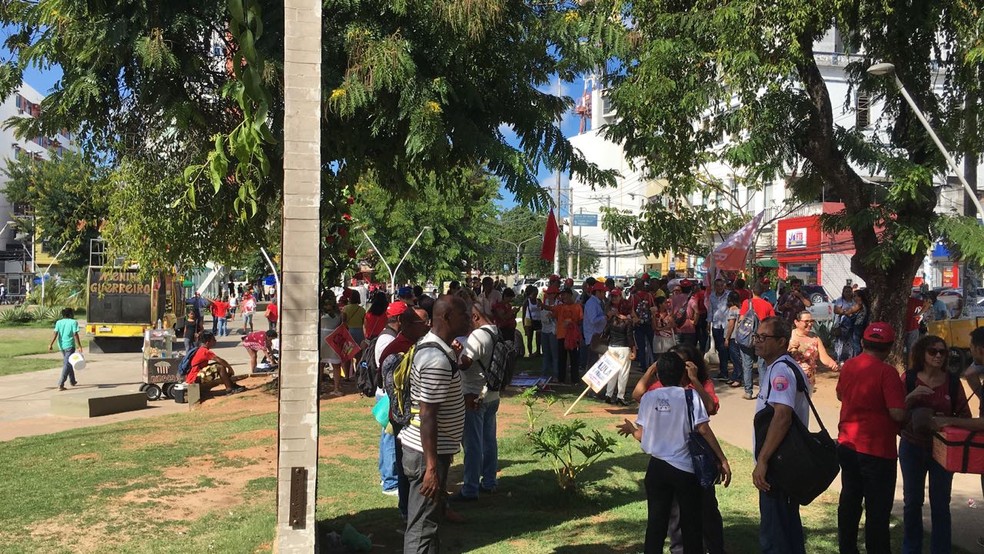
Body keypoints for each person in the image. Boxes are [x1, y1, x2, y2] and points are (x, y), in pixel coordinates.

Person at [617, 353, 731, 554]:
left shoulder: (649, 397)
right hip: (684, 469)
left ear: (658, 375)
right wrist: (721, 458)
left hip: (657, 468)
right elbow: (703, 429)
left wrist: (632, 430)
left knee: (656, 524)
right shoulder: (690, 396)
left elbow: (642, 434)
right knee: (691, 524)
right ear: (683, 375)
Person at [399, 295, 470, 553]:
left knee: (430, 523)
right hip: (425, 455)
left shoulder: (438, 348)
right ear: (447, 317)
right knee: (422, 526)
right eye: (464, 313)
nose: (469, 318)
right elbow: (428, 415)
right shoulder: (436, 358)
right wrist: (431, 468)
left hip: (430, 452)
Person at [835, 322, 907, 554]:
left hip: (848, 444)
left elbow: (840, 394)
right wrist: (911, 400)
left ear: (864, 342)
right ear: (888, 348)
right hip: (877, 450)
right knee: (877, 510)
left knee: (850, 501)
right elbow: (897, 412)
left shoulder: (849, 366)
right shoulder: (887, 372)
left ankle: (847, 548)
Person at [899, 335, 972, 554]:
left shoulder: (951, 382)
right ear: (922, 354)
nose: (938, 356)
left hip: (943, 448)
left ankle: (940, 549)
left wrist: (945, 420)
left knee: (941, 504)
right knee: (912, 501)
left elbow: (965, 417)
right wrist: (911, 397)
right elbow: (895, 414)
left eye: (942, 352)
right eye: (933, 351)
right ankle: (911, 548)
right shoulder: (909, 378)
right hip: (912, 446)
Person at [751, 316, 811, 554]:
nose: (757, 341)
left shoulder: (782, 371)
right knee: (786, 530)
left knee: (775, 536)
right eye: (757, 336)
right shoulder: (778, 367)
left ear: (781, 341)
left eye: (764, 338)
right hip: (782, 461)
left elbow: (782, 416)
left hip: (779, 464)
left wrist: (763, 461)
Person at [380, 305, 433, 520]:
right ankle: (407, 509)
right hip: (405, 417)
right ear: (407, 324)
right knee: (406, 467)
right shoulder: (397, 349)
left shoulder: (415, 344)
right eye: (423, 323)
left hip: (414, 415)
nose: (427, 326)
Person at [455, 302, 500, 501]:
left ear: (475, 317)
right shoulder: (494, 331)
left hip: (474, 395)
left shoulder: (478, 336)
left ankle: (470, 489)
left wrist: (454, 353)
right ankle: (489, 481)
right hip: (491, 394)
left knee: (473, 445)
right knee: (489, 441)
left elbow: (464, 364)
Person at [737, 282, 775, 400]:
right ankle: (763, 392)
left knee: (747, 364)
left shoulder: (746, 303)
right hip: (762, 338)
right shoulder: (767, 305)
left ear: (752, 291)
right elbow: (772, 321)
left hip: (747, 337)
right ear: (763, 292)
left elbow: (742, 319)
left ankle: (748, 391)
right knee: (762, 365)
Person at [788, 311, 838, 387]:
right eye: (806, 321)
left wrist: (832, 363)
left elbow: (824, 356)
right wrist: (789, 347)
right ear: (796, 322)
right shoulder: (789, 336)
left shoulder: (815, 338)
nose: (810, 324)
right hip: (791, 378)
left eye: (811, 321)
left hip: (808, 380)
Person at [602, 294, 636, 405]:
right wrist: (634, 350)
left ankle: (608, 394)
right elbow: (630, 338)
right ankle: (620, 396)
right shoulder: (628, 322)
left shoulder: (612, 319)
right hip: (624, 348)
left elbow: (605, 332)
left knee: (612, 371)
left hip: (612, 347)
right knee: (623, 373)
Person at [545, 288, 584, 383]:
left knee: (574, 359)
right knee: (561, 359)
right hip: (561, 336)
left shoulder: (577, 307)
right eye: (562, 295)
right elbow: (550, 309)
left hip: (572, 337)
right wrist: (542, 305)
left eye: (565, 294)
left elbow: (580, 320)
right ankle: (561, 379)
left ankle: (575, 380)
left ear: (570, 295)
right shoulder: (560, 307)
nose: (563, 297)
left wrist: (572, 323)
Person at [49, 307, 83, 391]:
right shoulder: (73, 322)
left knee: (68, 362)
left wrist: (51, 344)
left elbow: (55, 333)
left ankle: (72, 381)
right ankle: (61, 384)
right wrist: (79, 345)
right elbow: (75, 334)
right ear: (70, 314)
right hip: (70, 346)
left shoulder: (59, 322)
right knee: (67, 364)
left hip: (61, 346)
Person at [582, 283, 609, 371]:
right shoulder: (591, 303)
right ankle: (589, 382)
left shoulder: (599, 302)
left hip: (597, 335)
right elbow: (593, 320)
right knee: (592, 361)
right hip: (592, 336)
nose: (604, 294)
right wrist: (606, 317)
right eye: (603, 292)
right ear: (597, 292)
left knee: (596, 361)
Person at [631, 279, 656, 373]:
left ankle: (643, 365)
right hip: (648, 323)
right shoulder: (649, 295)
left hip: (638, 324)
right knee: (652, 344)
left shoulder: (633, 297)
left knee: (641, 346)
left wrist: (636, 319)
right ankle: (654, 364)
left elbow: (631, 310)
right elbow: (653, 308)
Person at [707, 279, 730, 380]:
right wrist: (709, 323)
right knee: (719, 349)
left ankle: (725, 372)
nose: (720, 287)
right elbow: (710, 310)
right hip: (716, 325)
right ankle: (722, 371)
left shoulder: (728, 295)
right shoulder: (712, 296)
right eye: (718, 285)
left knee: (725, 349)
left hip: (726, 325)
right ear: (715, 286)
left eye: (721, 285)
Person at [342, 289, 367, 378]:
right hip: (359, 332)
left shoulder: (345, 308)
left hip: (349, 333)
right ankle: (358, 375)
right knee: (359, 356)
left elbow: (343, 321)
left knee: (348, 356)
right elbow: (364, 324)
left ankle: (347, 376)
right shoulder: (362, 310)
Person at [723, 292, 744, 388]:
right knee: (736, 357)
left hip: (733, 336)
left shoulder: (732, 310)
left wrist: (727, 337)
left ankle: (738, 378)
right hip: (739, 336)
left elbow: (731, 324)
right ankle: (735, 376)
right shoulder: (740, 309)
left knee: (735, 358)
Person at [540, 285, 561, 378]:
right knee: (545, 353)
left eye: (549, 294)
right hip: (544, 330)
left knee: (554, 354)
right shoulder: (545, 302)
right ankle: (544, 373)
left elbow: (559, 316)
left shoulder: (559, 304)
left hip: (553, 331)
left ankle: (556, 374)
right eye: (547, 294)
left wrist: (553, 316)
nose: (548, 295)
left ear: (554, 294)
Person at [521, 285, 542, 357]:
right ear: (530, 294)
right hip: (528, 320)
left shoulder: (538, 300)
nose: (535, 295)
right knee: (530, 337)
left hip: (538, 320)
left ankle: (538, 351)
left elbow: (542, 309)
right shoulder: (527, 302)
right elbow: (523, 314)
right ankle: (530, 353)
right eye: (534, 294)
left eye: (537, 294)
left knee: (539, 337)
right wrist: (524, 325)